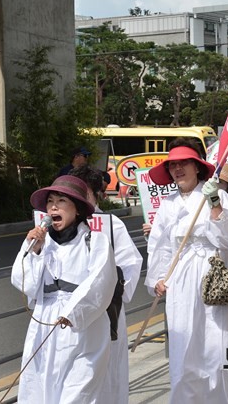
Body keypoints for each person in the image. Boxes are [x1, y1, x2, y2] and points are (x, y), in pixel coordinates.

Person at [145, 139, 228, 403]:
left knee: (219, 341)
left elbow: (226, 239)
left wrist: (213, 202)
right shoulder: (168, 202)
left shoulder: (218, 195)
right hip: (181, 275)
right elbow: (160, 243)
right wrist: (158, 277)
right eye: (173, 165)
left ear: (197, 167)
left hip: (215, 269)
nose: (178, 169)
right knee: (184, 341)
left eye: (184, 163)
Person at [11, 175, 117, 403]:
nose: (53, 207)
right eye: (50, 201)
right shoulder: (40, 241)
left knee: (78, 393)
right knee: (40, 388)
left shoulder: (95, 241)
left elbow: (101, 280)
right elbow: (22, 282)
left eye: (61, 201)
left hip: (82, 326)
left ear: (77, 209)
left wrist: (73, 312)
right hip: (45, 323)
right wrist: (34, 251)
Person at [69, 166, 143, 403]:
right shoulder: (59, 228)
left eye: (84, 193)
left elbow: (130, 264)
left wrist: (107, 285)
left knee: (105, 374)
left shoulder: (111, 224)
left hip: (104, 312)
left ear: (97, 194)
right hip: (69, 316)